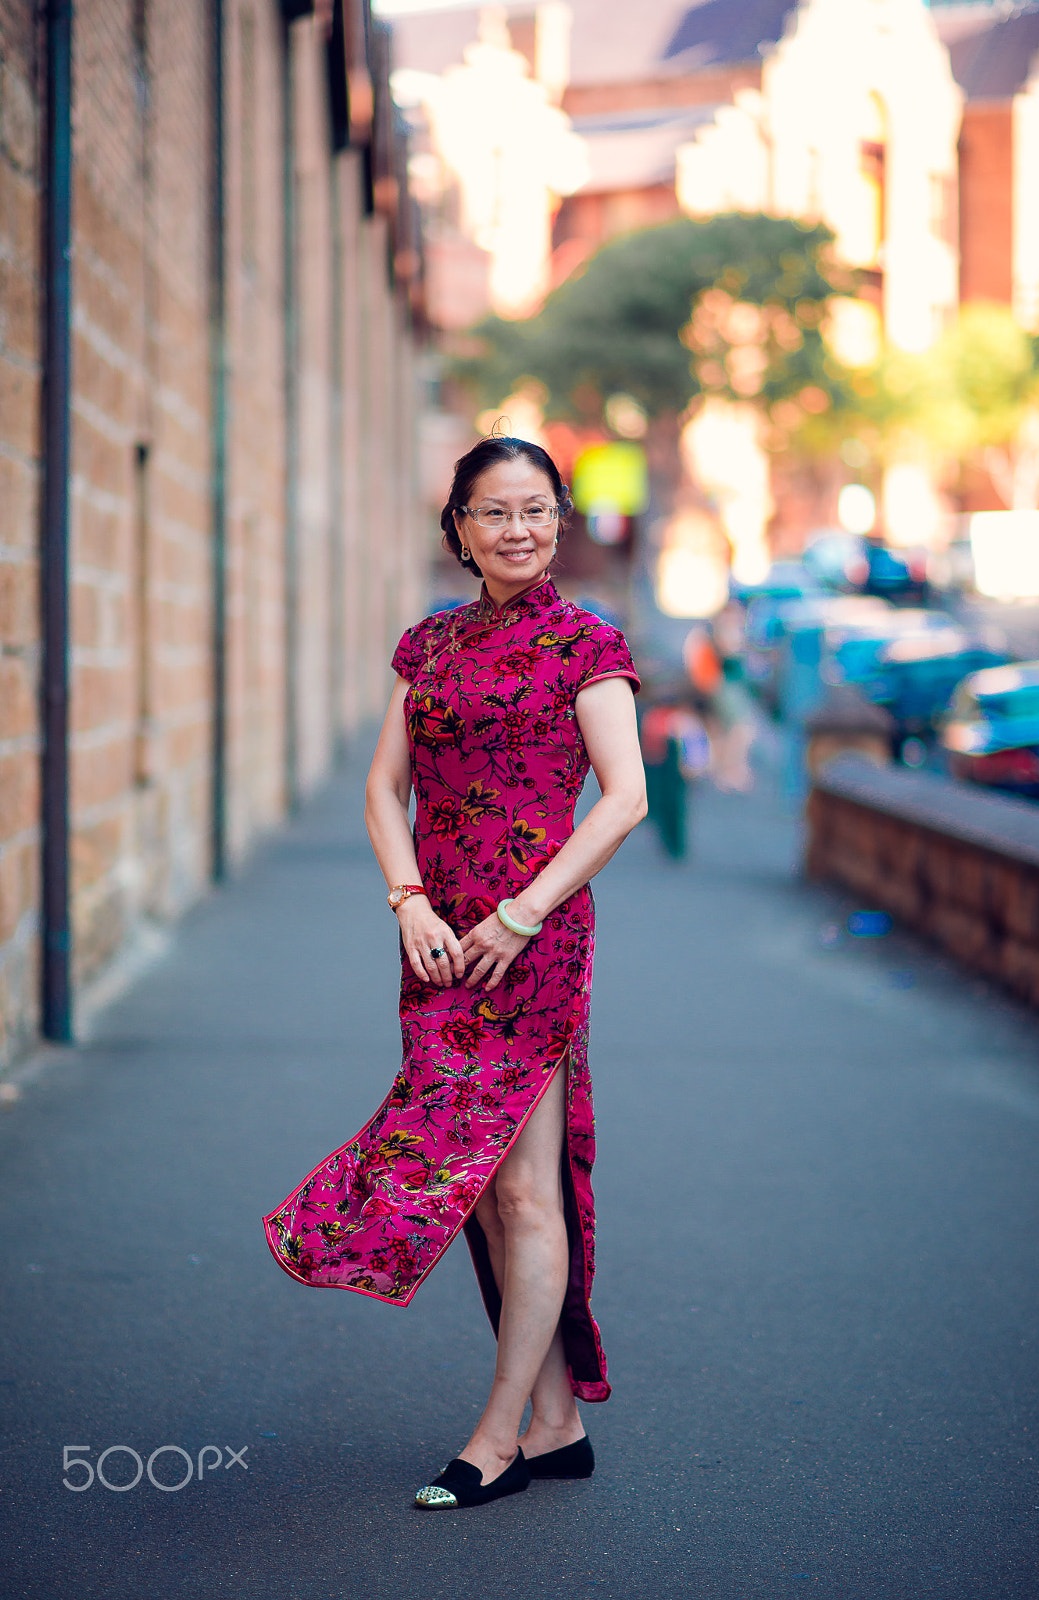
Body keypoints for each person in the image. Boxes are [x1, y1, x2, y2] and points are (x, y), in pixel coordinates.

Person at [263, 435, 647, 1510]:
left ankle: (501, 1437)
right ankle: (559, 1419)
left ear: (558, 520)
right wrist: (409, 900)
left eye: (537, 510)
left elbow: (625, 798)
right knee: (479, 1182)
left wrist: (522, 914)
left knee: (523, 1190)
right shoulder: (427, 644)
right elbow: (386, 789)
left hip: (533, 945)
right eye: (495, 512)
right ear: (459, 529)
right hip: (436, 945)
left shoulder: (589, 644)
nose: (519, 530)